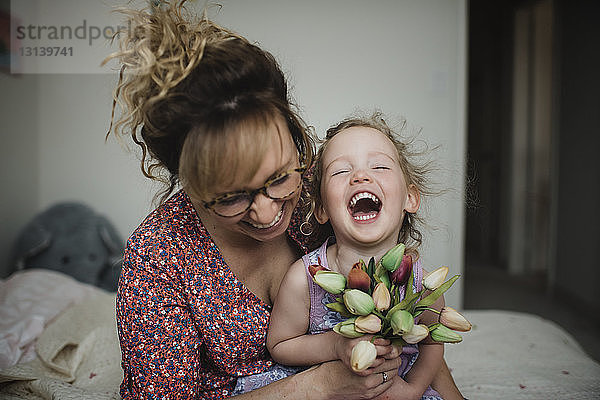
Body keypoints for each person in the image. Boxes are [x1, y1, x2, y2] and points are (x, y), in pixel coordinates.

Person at [104, 1, 463, 399]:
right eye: (230, 197)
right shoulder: (158, 256)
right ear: (190, 183)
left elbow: (408, 327)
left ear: (295, 136)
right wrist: (318, 385)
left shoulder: (326, 188)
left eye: (278, 178)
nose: (267, 211)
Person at [266, 113, 463, 400]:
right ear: (320, 208)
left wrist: (413, 390)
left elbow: (432, 343)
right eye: (341, 172)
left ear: (410, 198)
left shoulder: (418, 282)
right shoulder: (306, 276)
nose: (360, 176)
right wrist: (334, 346)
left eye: (380, 166)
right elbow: (280, 344)